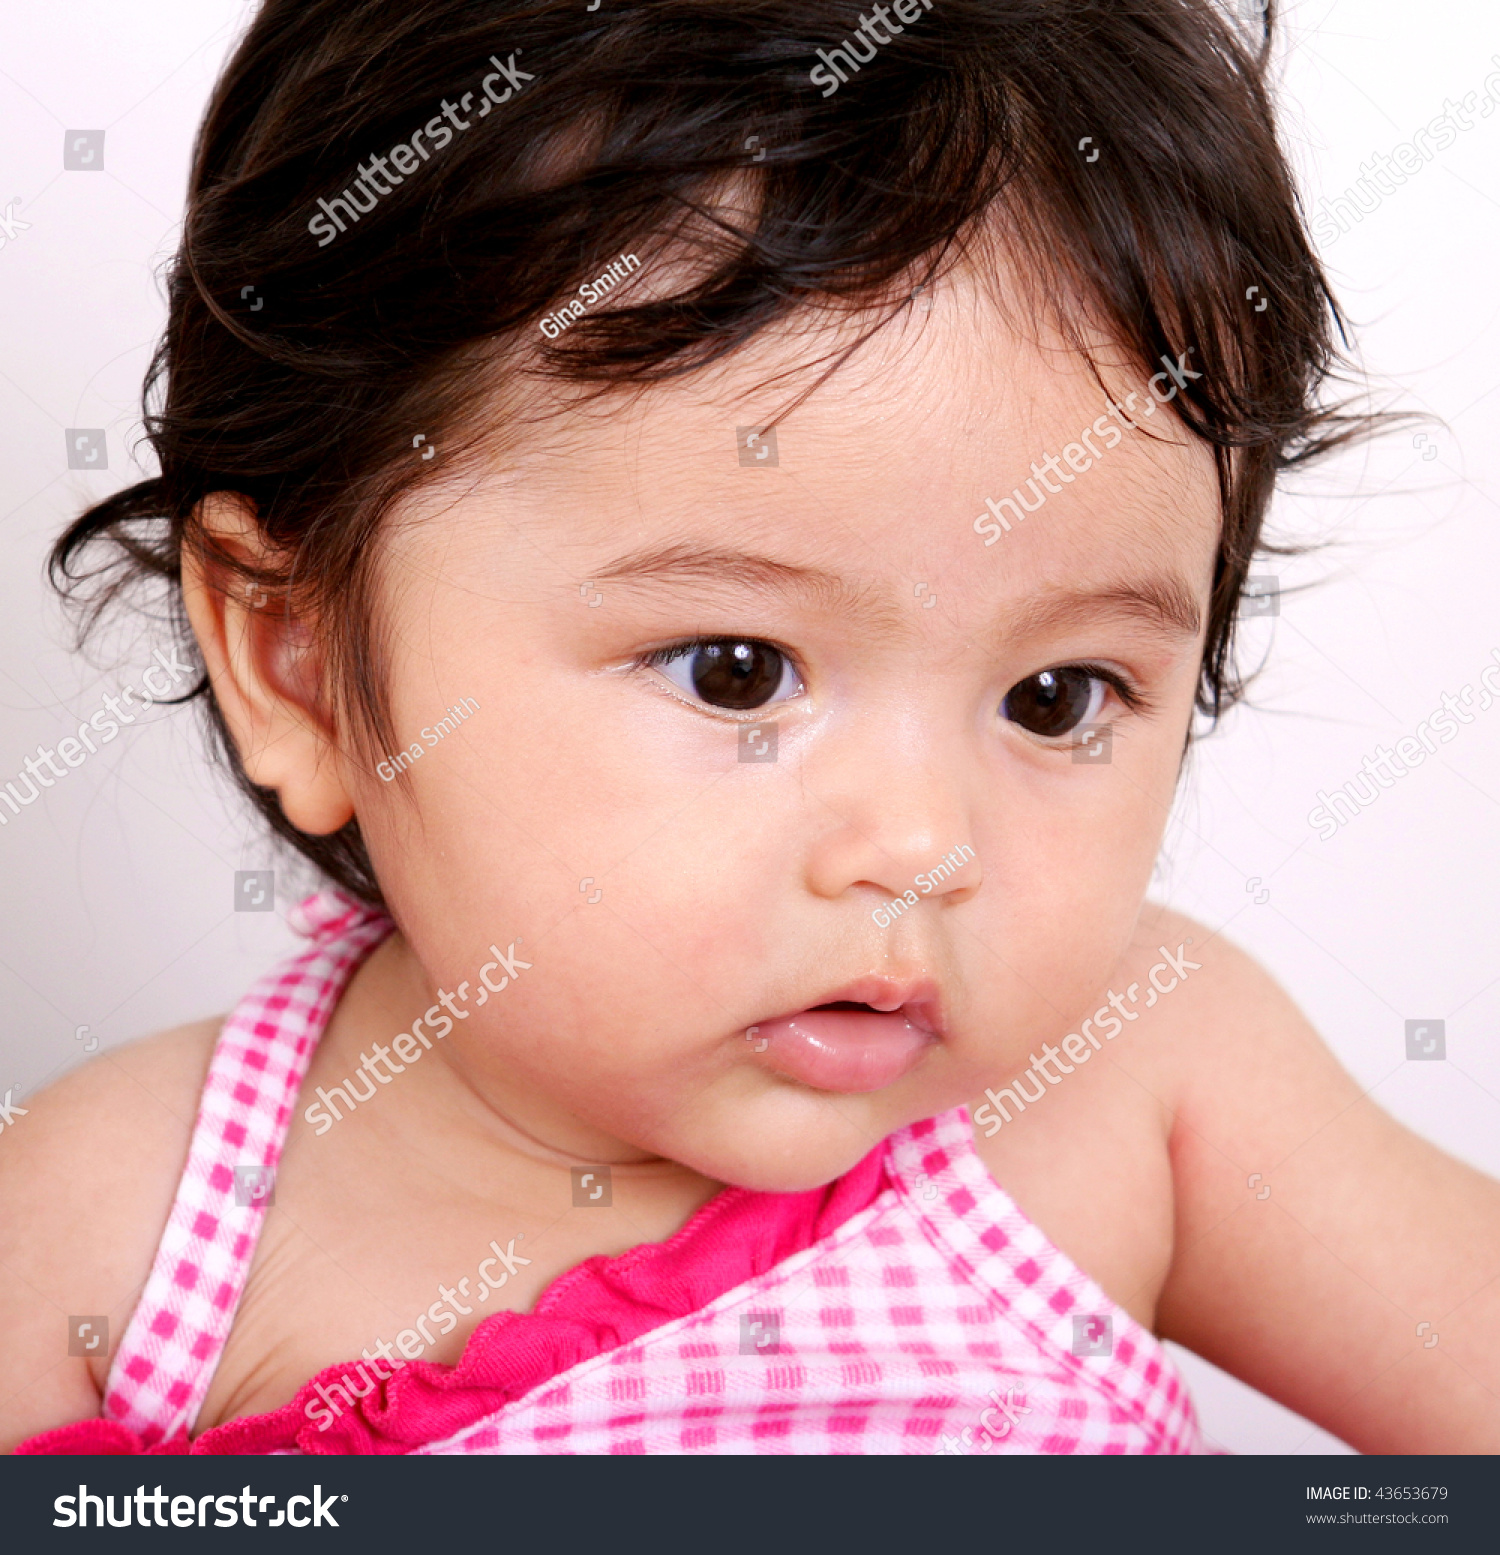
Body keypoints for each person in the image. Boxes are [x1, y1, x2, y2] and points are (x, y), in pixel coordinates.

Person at [5, 0, 1497, 1455]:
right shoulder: (116, 1225)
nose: (920, 848)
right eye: (735, 672)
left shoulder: (1144, 1083)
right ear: (303, 664)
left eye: (1058, 698)